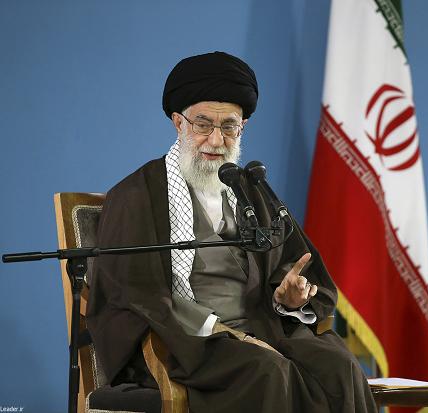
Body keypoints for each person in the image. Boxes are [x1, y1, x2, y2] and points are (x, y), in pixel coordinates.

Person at [86, 51, 377, 413]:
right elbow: (134, 292)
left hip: (263, 328)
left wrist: (289, 299)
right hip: (187, 342)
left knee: (340, 367)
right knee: (268, 371)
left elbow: (291, 265)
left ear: (243, 128)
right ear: (179, 123)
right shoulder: (136, 196)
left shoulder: (251, 191)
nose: (216, 139)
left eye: (229, 127)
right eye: (203, 124)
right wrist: (224, 333)